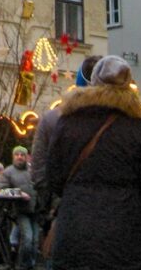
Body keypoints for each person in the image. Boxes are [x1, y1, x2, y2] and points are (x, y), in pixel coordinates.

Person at [45, 55, 141, 270]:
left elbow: (53, 177)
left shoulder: (67, 123)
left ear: (93, 82)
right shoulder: (139, 129)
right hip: (124, 231)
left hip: (74, 227)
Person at [31, 54, 101, 252]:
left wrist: (49, 204)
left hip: (65, 210)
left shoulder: (54, 119)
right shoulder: (125, 121)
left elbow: (38, 171)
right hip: (113, 216)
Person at [0, 145, 37, 270]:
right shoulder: (8, 172)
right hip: (20, 210)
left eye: (22, 155)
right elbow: (3, 190)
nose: (20, 157)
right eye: (17, 154)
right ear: (13, 156)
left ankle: (30, 265)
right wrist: (19, 194)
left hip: (36, 210)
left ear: (26, 157)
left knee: (35, 242)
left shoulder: (33, 170)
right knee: (27, 238)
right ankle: (22, 266)